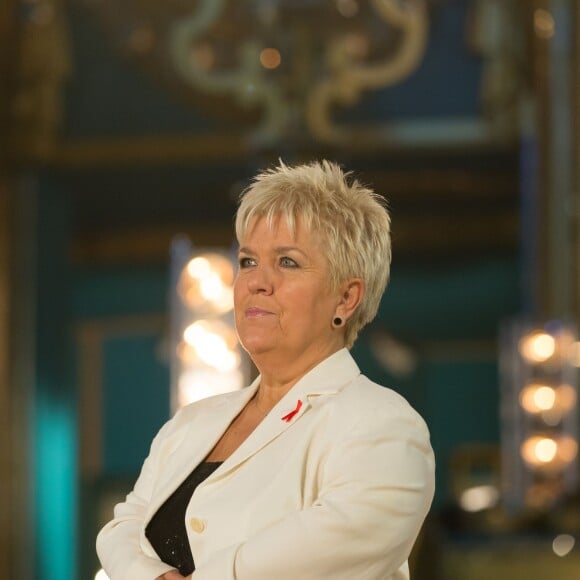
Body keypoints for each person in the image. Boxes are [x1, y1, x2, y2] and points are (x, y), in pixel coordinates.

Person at [96, 160, 435, 580]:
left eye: (287, 262)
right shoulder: (192, 422)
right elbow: (121, 528)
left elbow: (332, 545)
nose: (257, 281)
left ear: (346, 299)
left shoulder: (383, 423)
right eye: (248, 261)